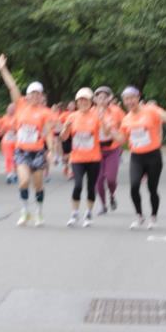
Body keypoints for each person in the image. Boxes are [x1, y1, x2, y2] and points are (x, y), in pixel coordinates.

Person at [108, 85, 166, 229]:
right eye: (126, 99)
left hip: (153, 156)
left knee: (152, 188)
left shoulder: (151, 110)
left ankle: (153, 216)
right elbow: (121, 140)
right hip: (137, 157)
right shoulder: (126, 119)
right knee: (134, 187)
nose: (129, 102)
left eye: (132, 98)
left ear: (138, 97)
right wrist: (111, 130)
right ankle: (139, 216)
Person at [0, 54, 54, 226]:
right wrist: (3, 69)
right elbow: (12, 86)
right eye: (32, 93)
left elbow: (48, 133)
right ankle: (25, 211)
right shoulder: (20, 105)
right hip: (21, 150)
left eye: (38, 94)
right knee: (23, 181)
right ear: (27, 96)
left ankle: (39, 212)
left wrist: (50, 150)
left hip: (38, 151)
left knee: (38, 185)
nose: (35, 96)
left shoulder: (45, 112)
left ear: (41, 96)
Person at [59, 88, 103, 227]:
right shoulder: (72, 117)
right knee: (78, 185)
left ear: (91, 102)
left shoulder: (96, 116)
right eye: (80, 100)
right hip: (77, 158)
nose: (83, 103)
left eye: (86, 100)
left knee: (91, 187)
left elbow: (105, 132)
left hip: (93, 158)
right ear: (77, 102)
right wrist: (65, 128)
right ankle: (74, 213)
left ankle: (88, 213)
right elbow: (63, 137)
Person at [94, 86, 124, 214]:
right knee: (99, 180)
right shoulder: (91, 112)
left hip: (112, 149)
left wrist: (120, 135)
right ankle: (103, 205)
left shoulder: (116, 111)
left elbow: (125, 124)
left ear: (109, 99)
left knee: (111, 179)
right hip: (96, 151)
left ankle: (112, 195)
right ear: (95, 99)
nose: (102, 100)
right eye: (99, 97)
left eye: (104, 97)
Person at [0, 102, 17, 184]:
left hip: (17, 140)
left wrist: (15, 130)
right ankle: (9, 174)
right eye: (9, 108)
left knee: (16, 158)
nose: (10, 110)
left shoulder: (18, 117)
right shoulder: (4, 118)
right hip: (7, 140)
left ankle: (14, 173)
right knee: (8, 157)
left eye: (12, 109)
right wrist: (4, 130)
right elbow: (0, 132)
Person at [60, 100, 76, 179]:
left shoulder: (77, 114)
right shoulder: (64, 115)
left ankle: (71, 171)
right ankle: (66, 166)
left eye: (73, 105)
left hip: (74, 136)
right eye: (70, 105)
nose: (71, 106)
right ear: (68, 106)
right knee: (66, 155)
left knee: (72, 153)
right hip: (66, 136)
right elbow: (59, 125)